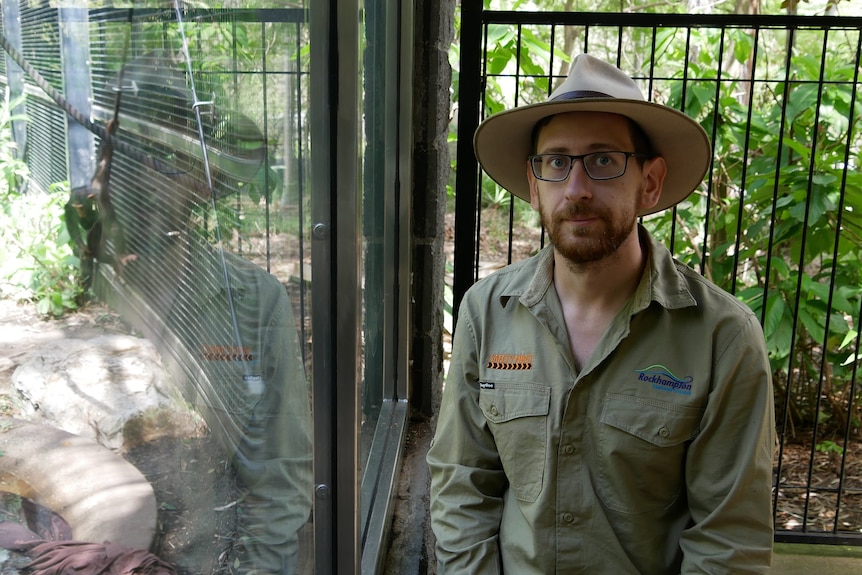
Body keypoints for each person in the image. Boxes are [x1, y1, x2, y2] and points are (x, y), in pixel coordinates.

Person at [427, 53, 775, 574]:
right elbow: (462, 485)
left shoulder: (721, 338)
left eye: (604, 160)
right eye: (557, 162)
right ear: (533, 182)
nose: (577, 189)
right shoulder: (487, 313)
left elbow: (729, 540)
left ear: (651, 181)